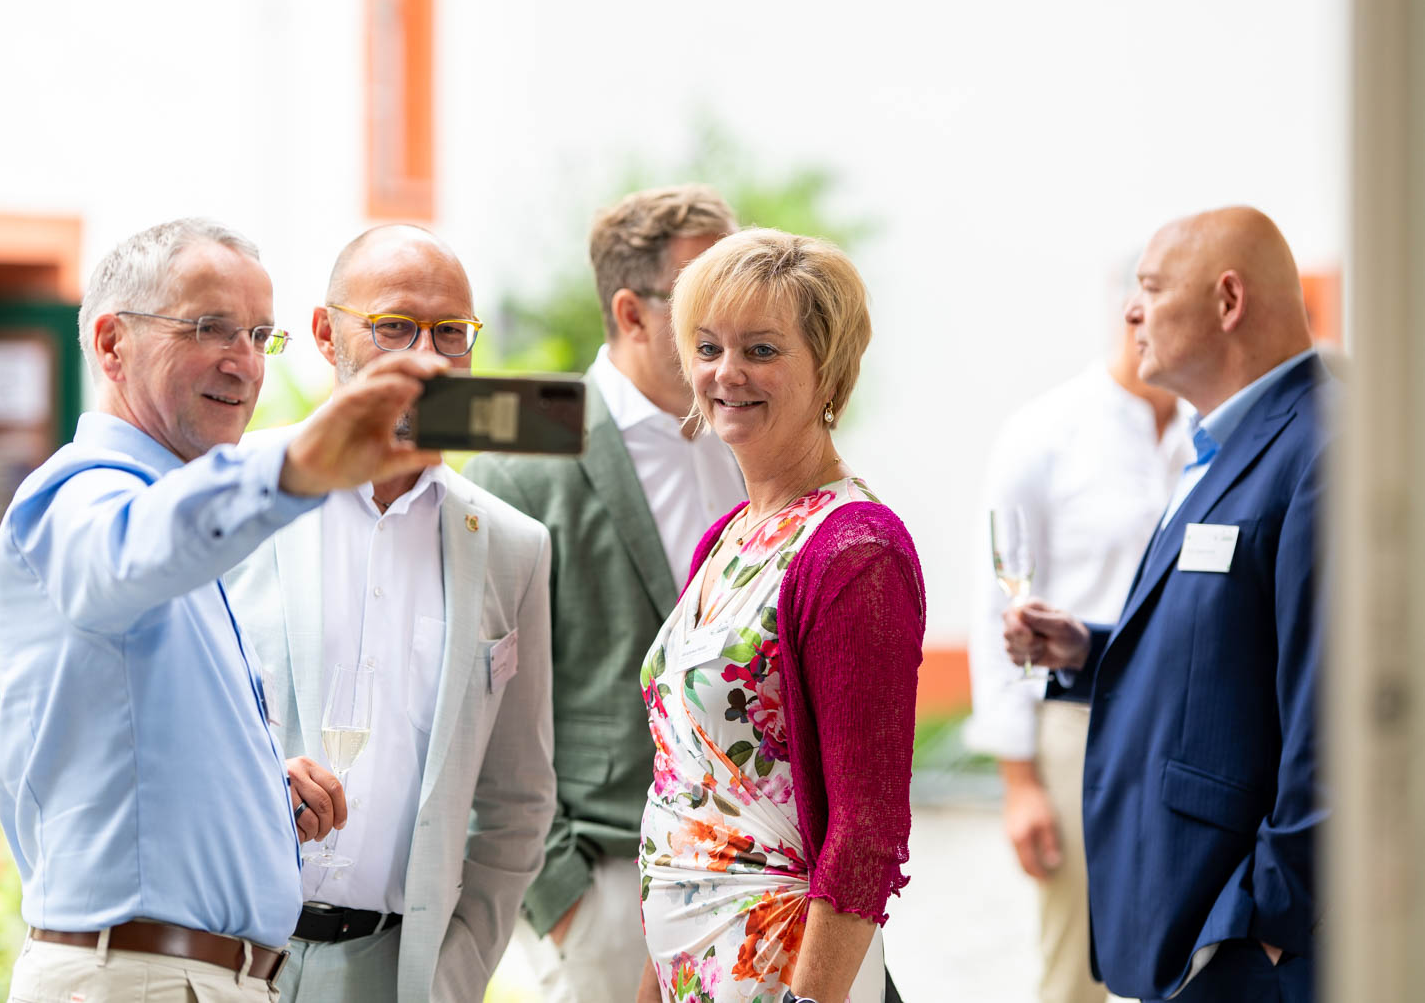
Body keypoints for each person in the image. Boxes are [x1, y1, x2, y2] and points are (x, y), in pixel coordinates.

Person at [0, 218, 449, 1002]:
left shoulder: (175, 507)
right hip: (140, 978)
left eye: (259, 335)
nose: (243, 362)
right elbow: (127, 556)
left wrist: (262, 792)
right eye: (211, 328)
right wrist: (296, 464)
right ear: (111, 345)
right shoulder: (84, 493)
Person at [1005, 207, 1331, 1003]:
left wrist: (1267, 923)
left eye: (1150, 288)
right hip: (1190, 910)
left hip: (1247, 936)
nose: (1130, 310)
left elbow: (1331, 711)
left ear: (1228, 302)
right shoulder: (1227, 441)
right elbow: (1233, 643)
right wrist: (1087, 648)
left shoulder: (1322, 447)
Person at [223, 224, 556, 1003]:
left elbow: (519, 799)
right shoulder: (231, 492)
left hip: (396, 972)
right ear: (323, 333)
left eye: (451, 333)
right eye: (395, 326)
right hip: (223, 953)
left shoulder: (512, 546)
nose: (429, 358)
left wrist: (457, 968)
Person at [464, 184, 746, 1002]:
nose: (735, 317)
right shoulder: (518, 435)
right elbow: (476, 689)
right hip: (608, 878)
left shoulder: (751, 432)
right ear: (630, 312)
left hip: (752, 870)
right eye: (706, 294)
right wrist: (562, 897)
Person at [635, 228, 921, 1003]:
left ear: (828, 368)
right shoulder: (724, 537)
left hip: (782, 972)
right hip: (688, 962)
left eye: (761, 349)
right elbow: (683, 783)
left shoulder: (857, 552)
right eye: (707, 347)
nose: (726, 374)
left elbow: (867, 827)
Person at [965, 312, 1191, 1003]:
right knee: (1076, 962)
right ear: (1136, 312)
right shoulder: (1045, 433)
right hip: (1077, 725)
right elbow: (1000, 605)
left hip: (1189, 721)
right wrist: (1019, 783)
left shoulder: (1212, 431)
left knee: (1190, 948)